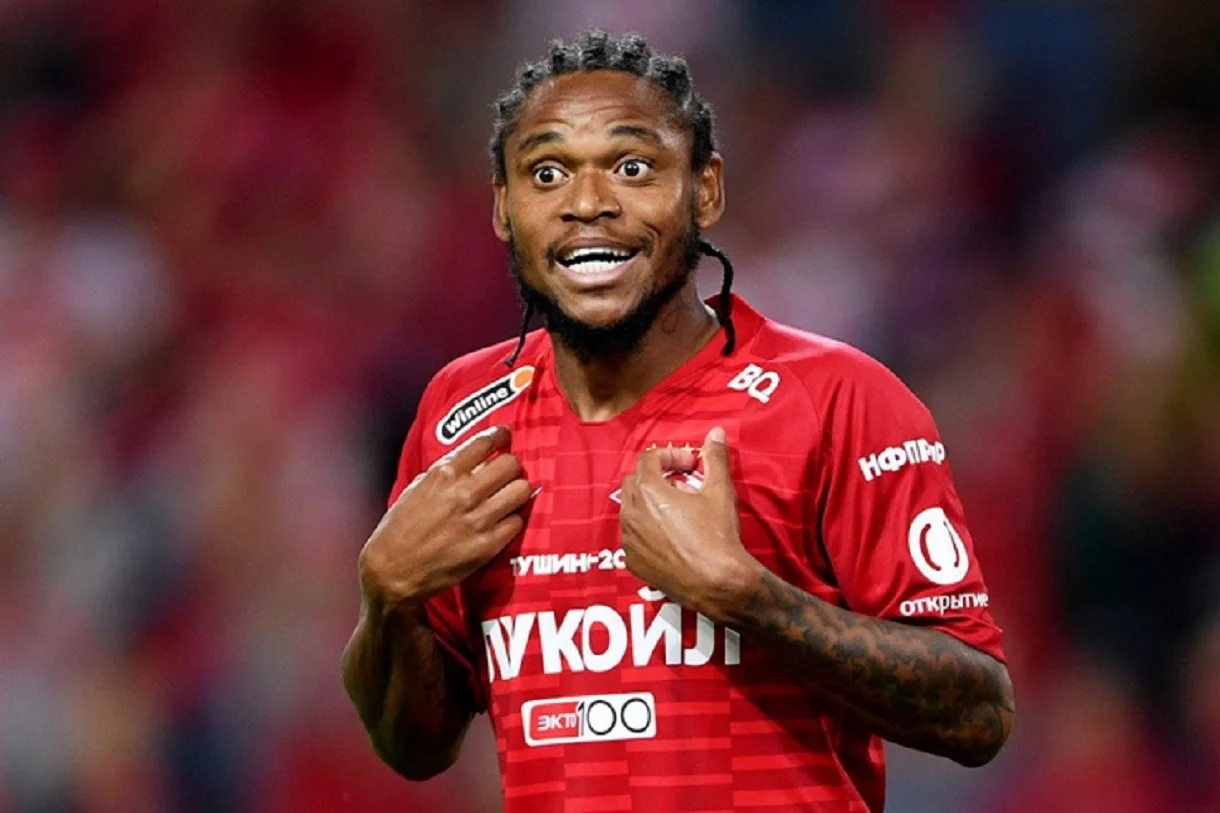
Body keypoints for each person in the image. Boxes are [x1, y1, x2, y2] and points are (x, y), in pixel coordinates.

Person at [341, 28, 1015, 812]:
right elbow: (416, 744)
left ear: (705, 192)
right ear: (503, 207)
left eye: (633, 167)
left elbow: (979, 712)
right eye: (547, 172)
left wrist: (747, 596)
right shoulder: (462, 415)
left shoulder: (835, 399)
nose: (587, 204)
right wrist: (386, 596)